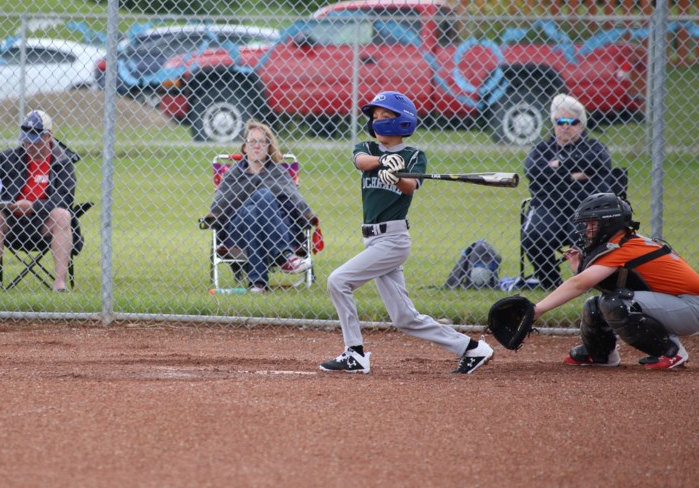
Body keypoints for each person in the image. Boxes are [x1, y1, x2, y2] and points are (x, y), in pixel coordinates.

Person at [320, 91, 493, 374]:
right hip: (373, 239)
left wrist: (398, 176)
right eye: (375, 117)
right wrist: (382, 164)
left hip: (393, 240)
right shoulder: (369, 148)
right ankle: (471, 348)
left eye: (385, 117)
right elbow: (361, 161)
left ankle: (355, 353)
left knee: (338, 281)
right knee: (404, 318)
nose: (378, 121)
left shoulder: (414, 156)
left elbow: (411, 186)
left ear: (402, 122)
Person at [534, 192, 699, 370]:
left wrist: (537, 309)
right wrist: (581, 269)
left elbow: (580, 284)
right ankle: (600, 353)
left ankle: (670, 351)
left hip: (691, 306)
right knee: (595, 306)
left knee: (616, 304)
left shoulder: (622, 248)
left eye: (592, 223)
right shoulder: (622, 242)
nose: (587, 229)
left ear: (609, 223)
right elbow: (607, 282)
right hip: (678, 304)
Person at [0, 110, 77, 293]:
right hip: (13, 221)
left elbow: (65, 198)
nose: (28, 144)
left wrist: (33, 206)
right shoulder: (9, 158)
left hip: (44, 222)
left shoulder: (62, 162)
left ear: (49, 136)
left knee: (63, 215)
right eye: (26, 139)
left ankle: (60, 284)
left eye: (35, 139)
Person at [205, 121, 315, 293]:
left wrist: (307, 215)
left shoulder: (279, 172)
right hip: (238, 233)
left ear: (269, 147)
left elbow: (295, 200)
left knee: (253, 210)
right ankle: (283, 256)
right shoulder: (233, 174)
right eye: (252, 141)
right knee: (260, 198)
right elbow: (219, 204)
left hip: (277, 228)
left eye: (262, 142)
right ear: (244, 148)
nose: (256, 146)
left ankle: (257, 284)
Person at [522, 94, 614, 288]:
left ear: (582, 125)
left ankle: (587, 283)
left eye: (572, 121)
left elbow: (600, 162)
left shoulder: (594, 147)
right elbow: (533, 170)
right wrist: (573, 175)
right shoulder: (542, 148)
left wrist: (560, 164)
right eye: (560, 121)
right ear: (554, 123)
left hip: (585, 210)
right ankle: (551, 284)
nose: (565, 126)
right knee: (534, 235)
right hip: (548, 207)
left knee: (588, 237)